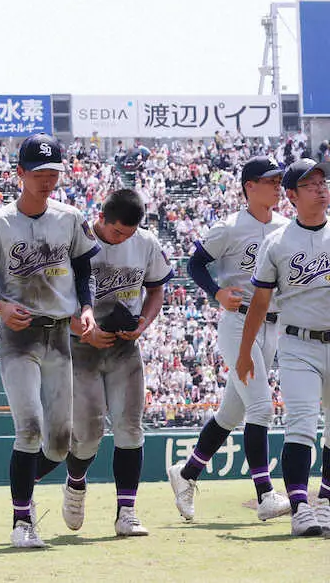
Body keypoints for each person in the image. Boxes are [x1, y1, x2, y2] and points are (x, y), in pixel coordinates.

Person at [0, 134, 99, 549]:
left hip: (59, 335)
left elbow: (83, 272)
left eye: (53, 172)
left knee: (59, 444)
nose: (46, 179)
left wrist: (88, 307)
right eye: (38, 172)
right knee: (29, 429)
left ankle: (23, 484)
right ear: (19, 173)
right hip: (18, 337)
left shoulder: (70, 217)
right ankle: (23, 521)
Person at [167, 156, 291, 522]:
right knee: (262, 408)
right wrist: (216, 293)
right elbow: (193, 265)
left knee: (230, 413)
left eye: (279, 180)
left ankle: (186, 473)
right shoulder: (229, 227)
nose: (277, 186)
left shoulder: (287, 226)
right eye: (270, 180)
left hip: (272, 325)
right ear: (249, 186)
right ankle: (266, 494)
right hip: (238, 322)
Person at [53, 189, 173, 537]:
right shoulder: (78, 241)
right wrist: (81, 328)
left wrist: (143, 325)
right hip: (82, 348)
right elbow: (53, 296)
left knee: (130, 428)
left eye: (130, 233)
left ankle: (127, 511)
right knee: (88, 434)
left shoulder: (145, 243)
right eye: (118, 232)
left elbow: (156, 289)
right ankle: (75, 484)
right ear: (102, 218)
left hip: (123, 347)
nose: (123, 239)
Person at [236, 157, 330, 537]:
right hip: (298, 345)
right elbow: (259, 303)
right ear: (291, 195)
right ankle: (301, 508)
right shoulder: (277, 243)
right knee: (302, 426)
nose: (321, 188)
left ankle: (324, 503)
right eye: (310, 184)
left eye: (323, 182)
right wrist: (244, 352)